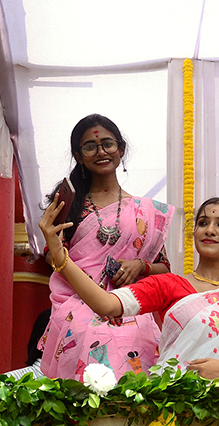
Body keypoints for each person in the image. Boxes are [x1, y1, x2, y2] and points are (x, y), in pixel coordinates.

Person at [40, 196, 219, 379]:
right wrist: (59, 254)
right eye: (203, 223)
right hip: (177, 407)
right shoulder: (168, 284)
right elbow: (106, 305)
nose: (209, 230)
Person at [38, 114, 175, 381]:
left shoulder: (145, 211)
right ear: (79, 156)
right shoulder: (68, 206)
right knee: (89, 333)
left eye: (108, 144)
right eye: (90, 147)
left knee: (137, 339)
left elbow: (165, 268)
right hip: (78, 302)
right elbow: (53, 258)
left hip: (129, 304)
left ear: (120, 149)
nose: (101, 152)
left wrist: (140, 266)